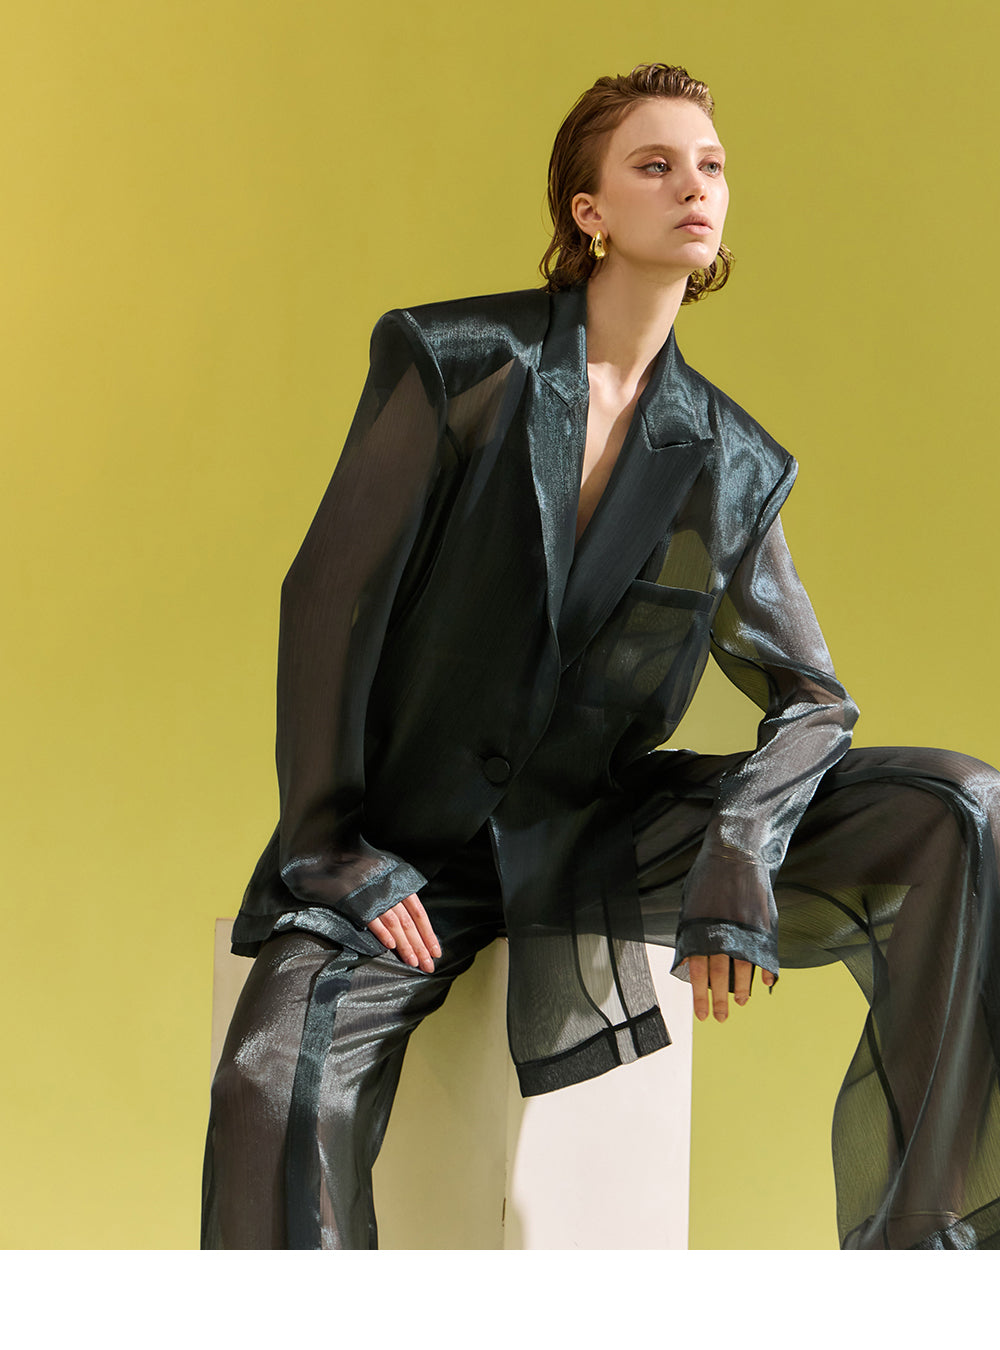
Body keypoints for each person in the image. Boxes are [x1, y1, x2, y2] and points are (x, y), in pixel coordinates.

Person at [201, 63, 1000, 1250]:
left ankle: (921, 1260)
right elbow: (327, 596)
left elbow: (812, 699)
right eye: (655, 164)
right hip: (411, 852)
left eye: (711, 166)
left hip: (598, 833)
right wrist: (327, 846)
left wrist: (739, 851)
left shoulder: (726, 454)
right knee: (270, 1085)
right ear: (589, 211)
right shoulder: (459, 361)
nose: (695, 187)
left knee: (959, 808)